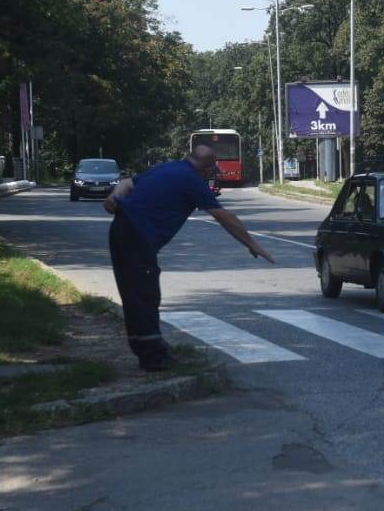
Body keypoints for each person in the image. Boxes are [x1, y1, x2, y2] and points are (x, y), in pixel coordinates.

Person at [103, 145, 274, 371]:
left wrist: (114, 197)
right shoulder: (193, 181)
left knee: (137, 293)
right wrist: (252, 245)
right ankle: (153, 358)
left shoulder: (166, 168)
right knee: (144, 294)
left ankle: (147, 350)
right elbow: (223, 216)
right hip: (136, 236)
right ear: (208, 167)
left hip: (122, 230)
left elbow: (125, 184)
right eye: (213, 168)